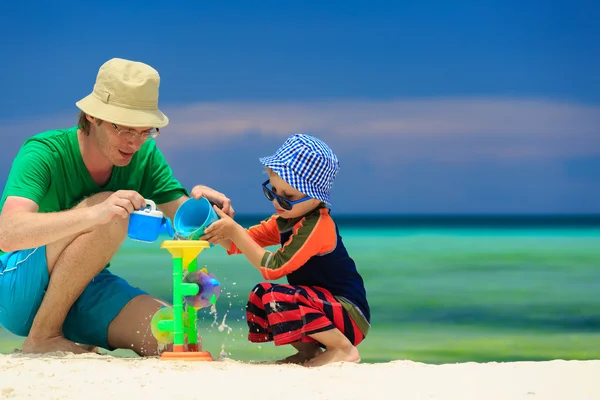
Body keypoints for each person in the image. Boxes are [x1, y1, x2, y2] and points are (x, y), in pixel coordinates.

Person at [0, 58, 234, 356]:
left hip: (83, 287)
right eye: (124, 129)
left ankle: (78, 334)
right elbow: (8, 234)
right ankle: (43, 337)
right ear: (92, 116)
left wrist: (209, 213)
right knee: (112, 209)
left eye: (145, 131)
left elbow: (204, 230)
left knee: (176, 339)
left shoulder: (144, 156)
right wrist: (94, 213)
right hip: (17, 288)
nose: (135, 144)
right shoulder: (44, 153)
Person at [201, 134, 370, 367]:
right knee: (261, 296)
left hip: (349, 314)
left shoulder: (317, 226)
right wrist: (214, 225)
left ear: (316, 199)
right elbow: (241, 243)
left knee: (275, 296)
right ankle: (309, 351)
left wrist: (234, 231)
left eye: (288, 197)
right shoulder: (286, 220)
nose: (277, 202)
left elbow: (274, 268)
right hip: (321, 307)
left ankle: (343, 349)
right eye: (273, 192)